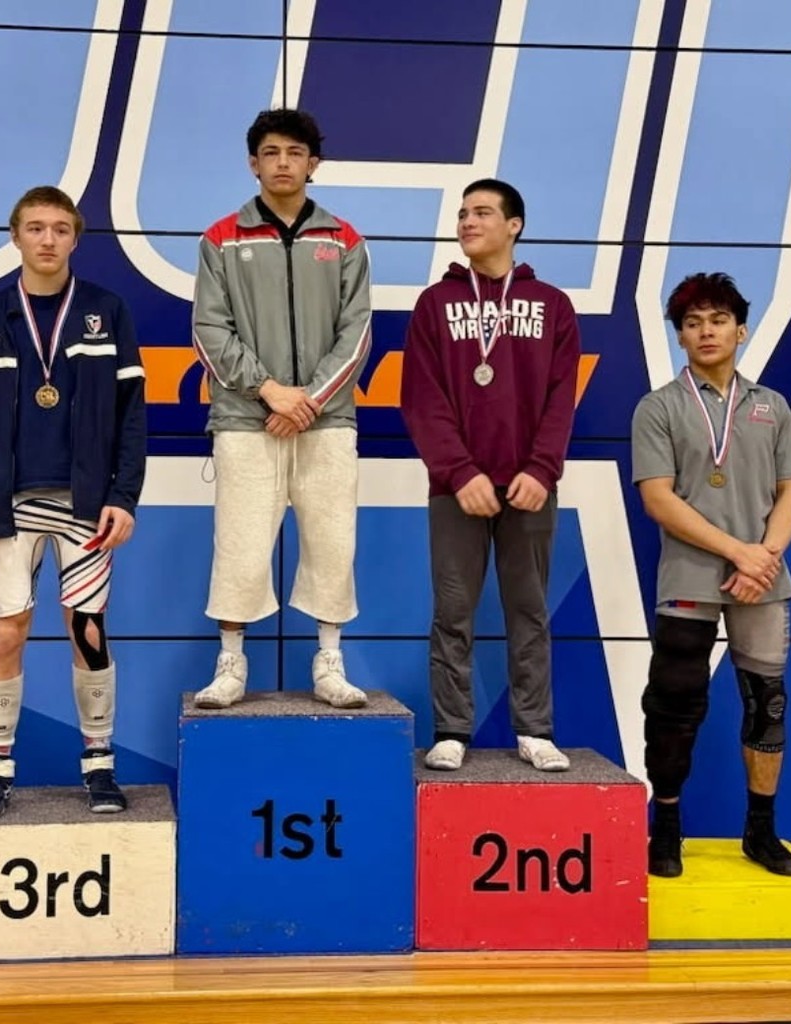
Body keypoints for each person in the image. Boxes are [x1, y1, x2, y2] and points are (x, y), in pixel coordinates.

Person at [0, 186, 146, 819]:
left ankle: (99, 765)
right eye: (36, 227)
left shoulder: (106, 311)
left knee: (87, 630)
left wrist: (124, 496)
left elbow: (132, 416)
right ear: (16, 236)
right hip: (7, 504)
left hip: (86, 503)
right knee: (8, 631)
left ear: (75, 238)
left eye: (61, 228)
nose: (48, 239)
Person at [631, 272, 791, 877]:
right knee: (674, 704)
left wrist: (764, 556)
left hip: (762, 580)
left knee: (769, 705)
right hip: (690, 579)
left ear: (741, 329)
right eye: (691, 322)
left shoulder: (771, 406)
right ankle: (668, 829)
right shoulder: (659, 406)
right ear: (679, 336)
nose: (705, 332)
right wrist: (741, 552)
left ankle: (761, 832)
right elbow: (659, 499)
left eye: (716, 320)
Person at [191, 108, 371, 709]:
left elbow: (358, 330)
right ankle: (231, 664)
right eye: (271, 153)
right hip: (248, 420)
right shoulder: (221, 237)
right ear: (253, 163)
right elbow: (208, 330)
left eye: (295, 152)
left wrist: (310, 400)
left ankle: (329, 660)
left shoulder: (344, 238)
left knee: (331, 541)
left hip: (327, 420)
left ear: (313, 163)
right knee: (239, 544)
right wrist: (270, 391)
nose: (283, 163)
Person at [400, 179, 581, 772]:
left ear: (515, 225)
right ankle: (452, 728)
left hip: (530, 486)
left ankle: (535, 729)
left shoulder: (552, 305)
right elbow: (421, 399)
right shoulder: (435, 304)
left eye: (482, 212)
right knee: (452, 611)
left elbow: (561, 399)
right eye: (462, 213)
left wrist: (541, 468)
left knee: (528, 610)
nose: (468, 221)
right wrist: (458, 472)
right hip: (457, 489)